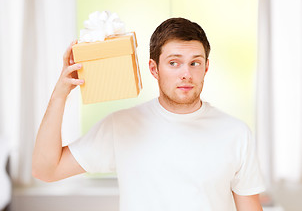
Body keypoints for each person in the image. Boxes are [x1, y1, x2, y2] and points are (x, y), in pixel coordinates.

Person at [32, 18, 265, 211]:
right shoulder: (122, 125)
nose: (186, 73)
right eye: (174, 63)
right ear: (154, 69)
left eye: (195, 63)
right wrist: (59, 94)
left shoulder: (235, 133)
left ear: (205, 68)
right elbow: (46, 170)